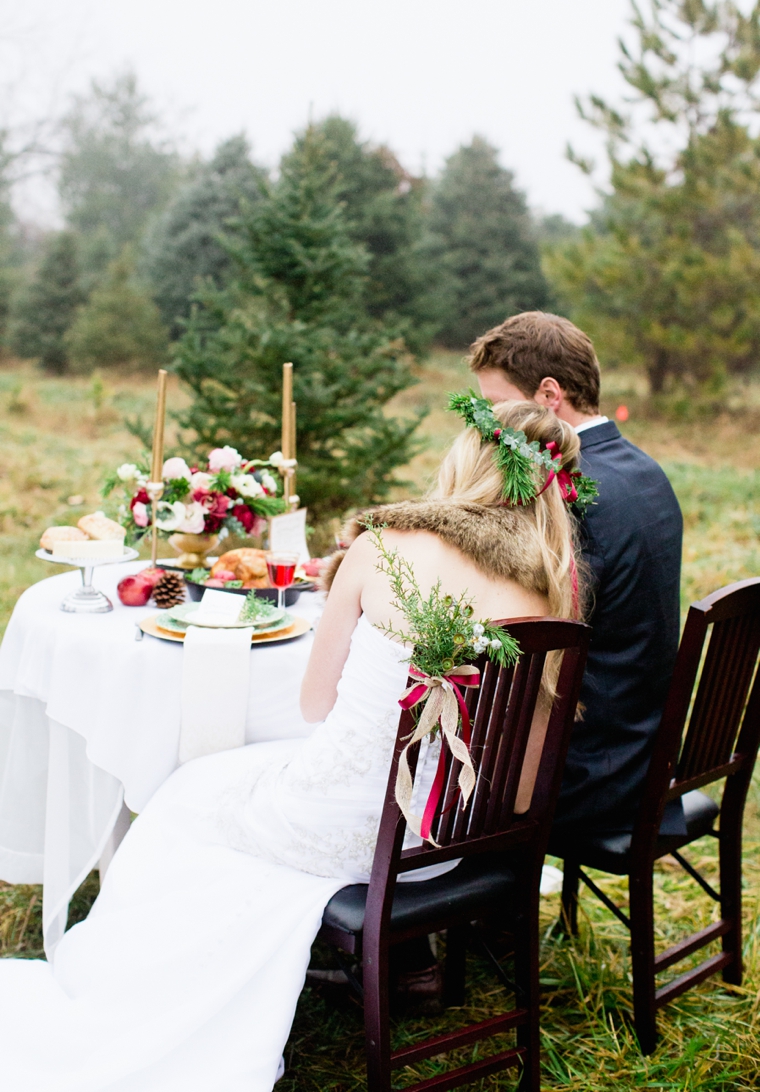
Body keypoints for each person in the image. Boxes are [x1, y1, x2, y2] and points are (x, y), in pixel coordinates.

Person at [0, 399, 581, 1091]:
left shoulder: (382, 546)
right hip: (449, 844)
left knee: (185, 794)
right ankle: (386, 963)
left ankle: (142, 990)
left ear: (466, 461)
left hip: (343, 830)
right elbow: (523, 782)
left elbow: (314, 704)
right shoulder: (553, 584)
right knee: (223, 797)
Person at [470, 311, 683, 837]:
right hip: (644, 749)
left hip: (590, 774)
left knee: (418, 759)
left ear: (548, 395)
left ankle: (469, 913)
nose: (486, 424)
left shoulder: (565, 494)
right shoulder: (644, 469)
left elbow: (517, 634)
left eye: (495, 406)